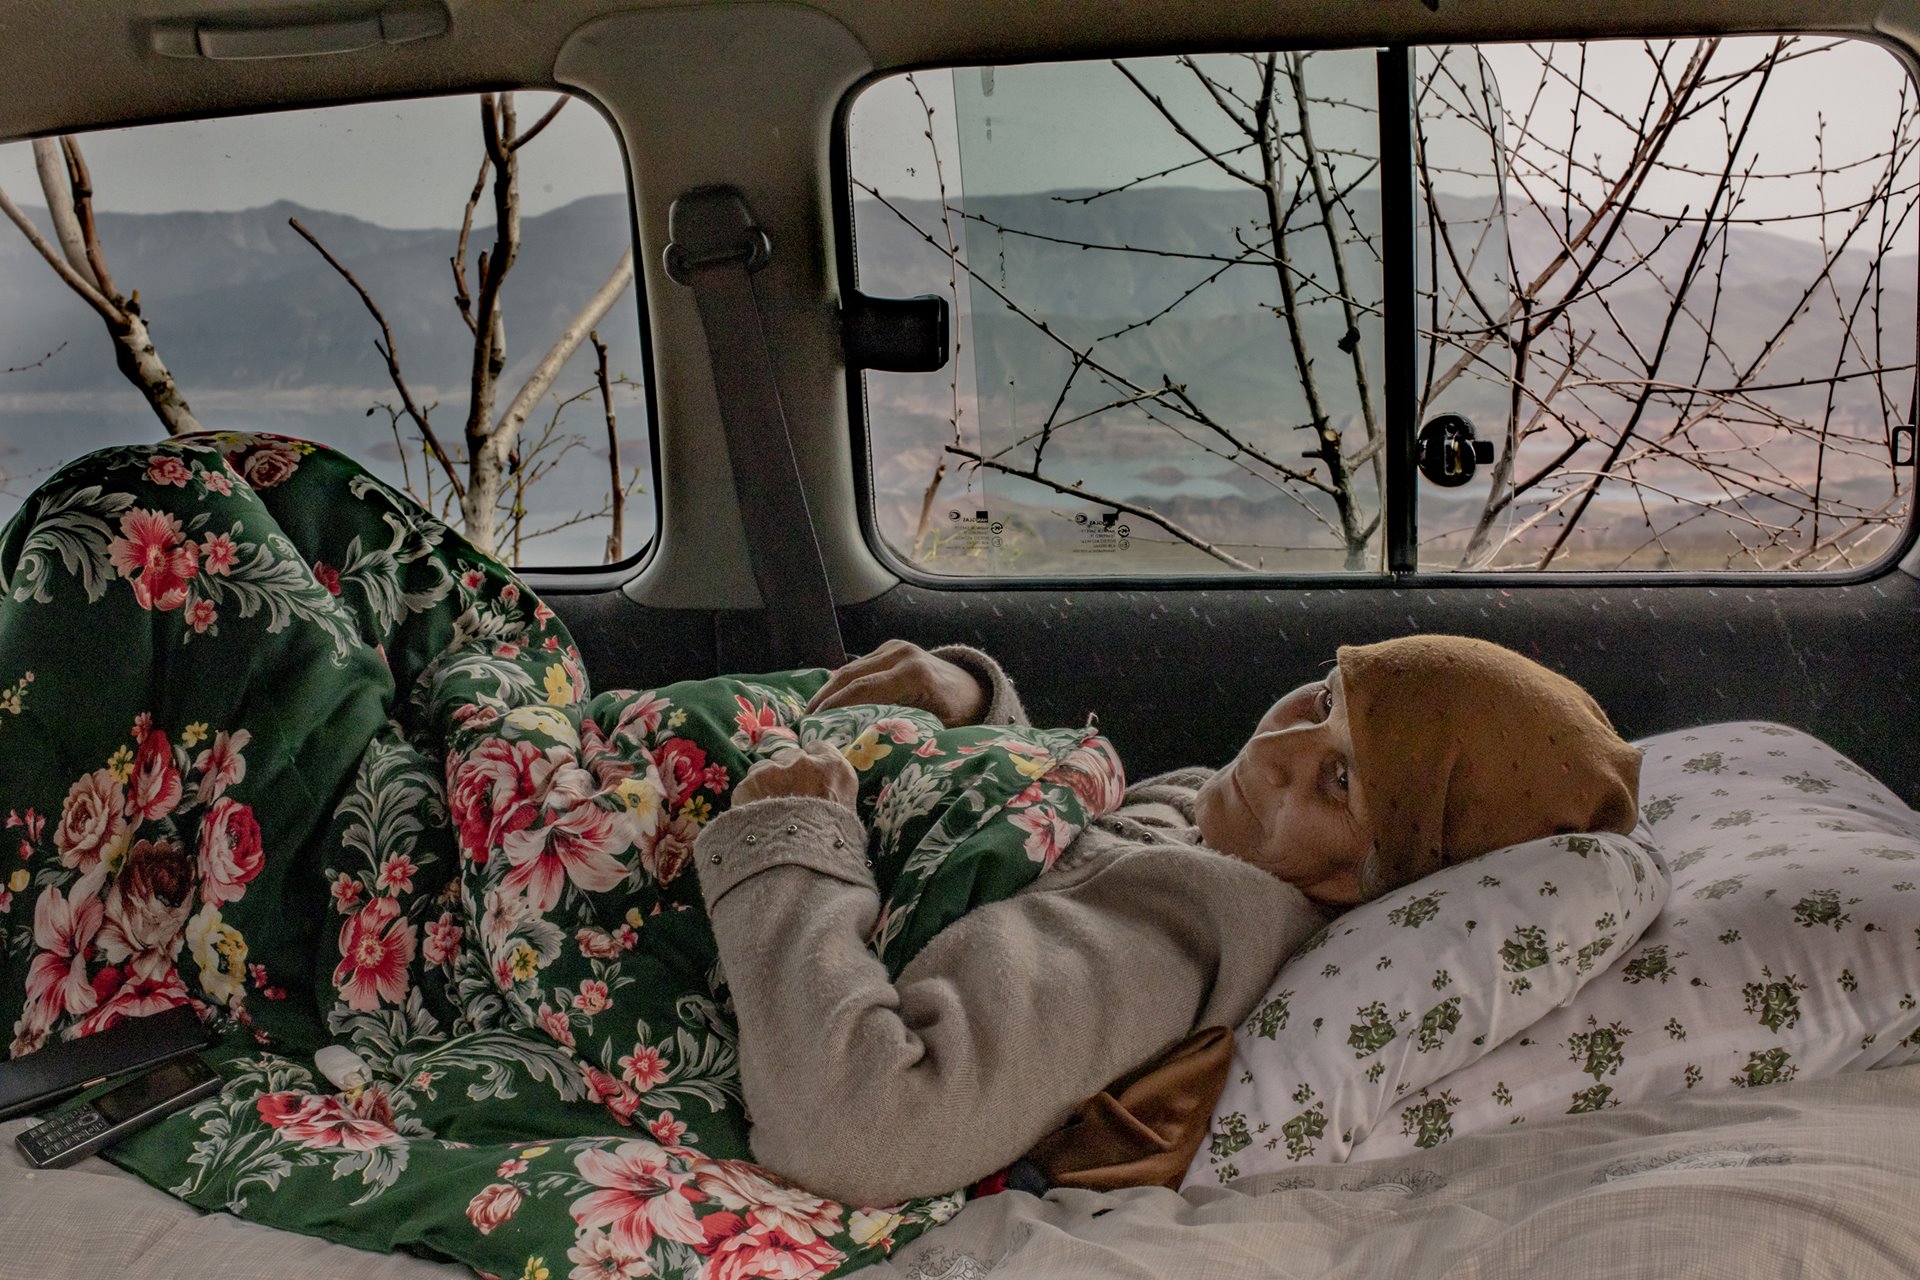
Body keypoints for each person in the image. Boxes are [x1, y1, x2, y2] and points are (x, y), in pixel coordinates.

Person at [691, 635, 1642, 1207]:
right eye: (1321, 701)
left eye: (1341, 781)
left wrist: (788, 835)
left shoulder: (1179, 932)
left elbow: (862, 1127)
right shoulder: (1221, 832)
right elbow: (1066, 856)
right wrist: (974, 711)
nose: (1276, 749)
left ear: (1379, 880)